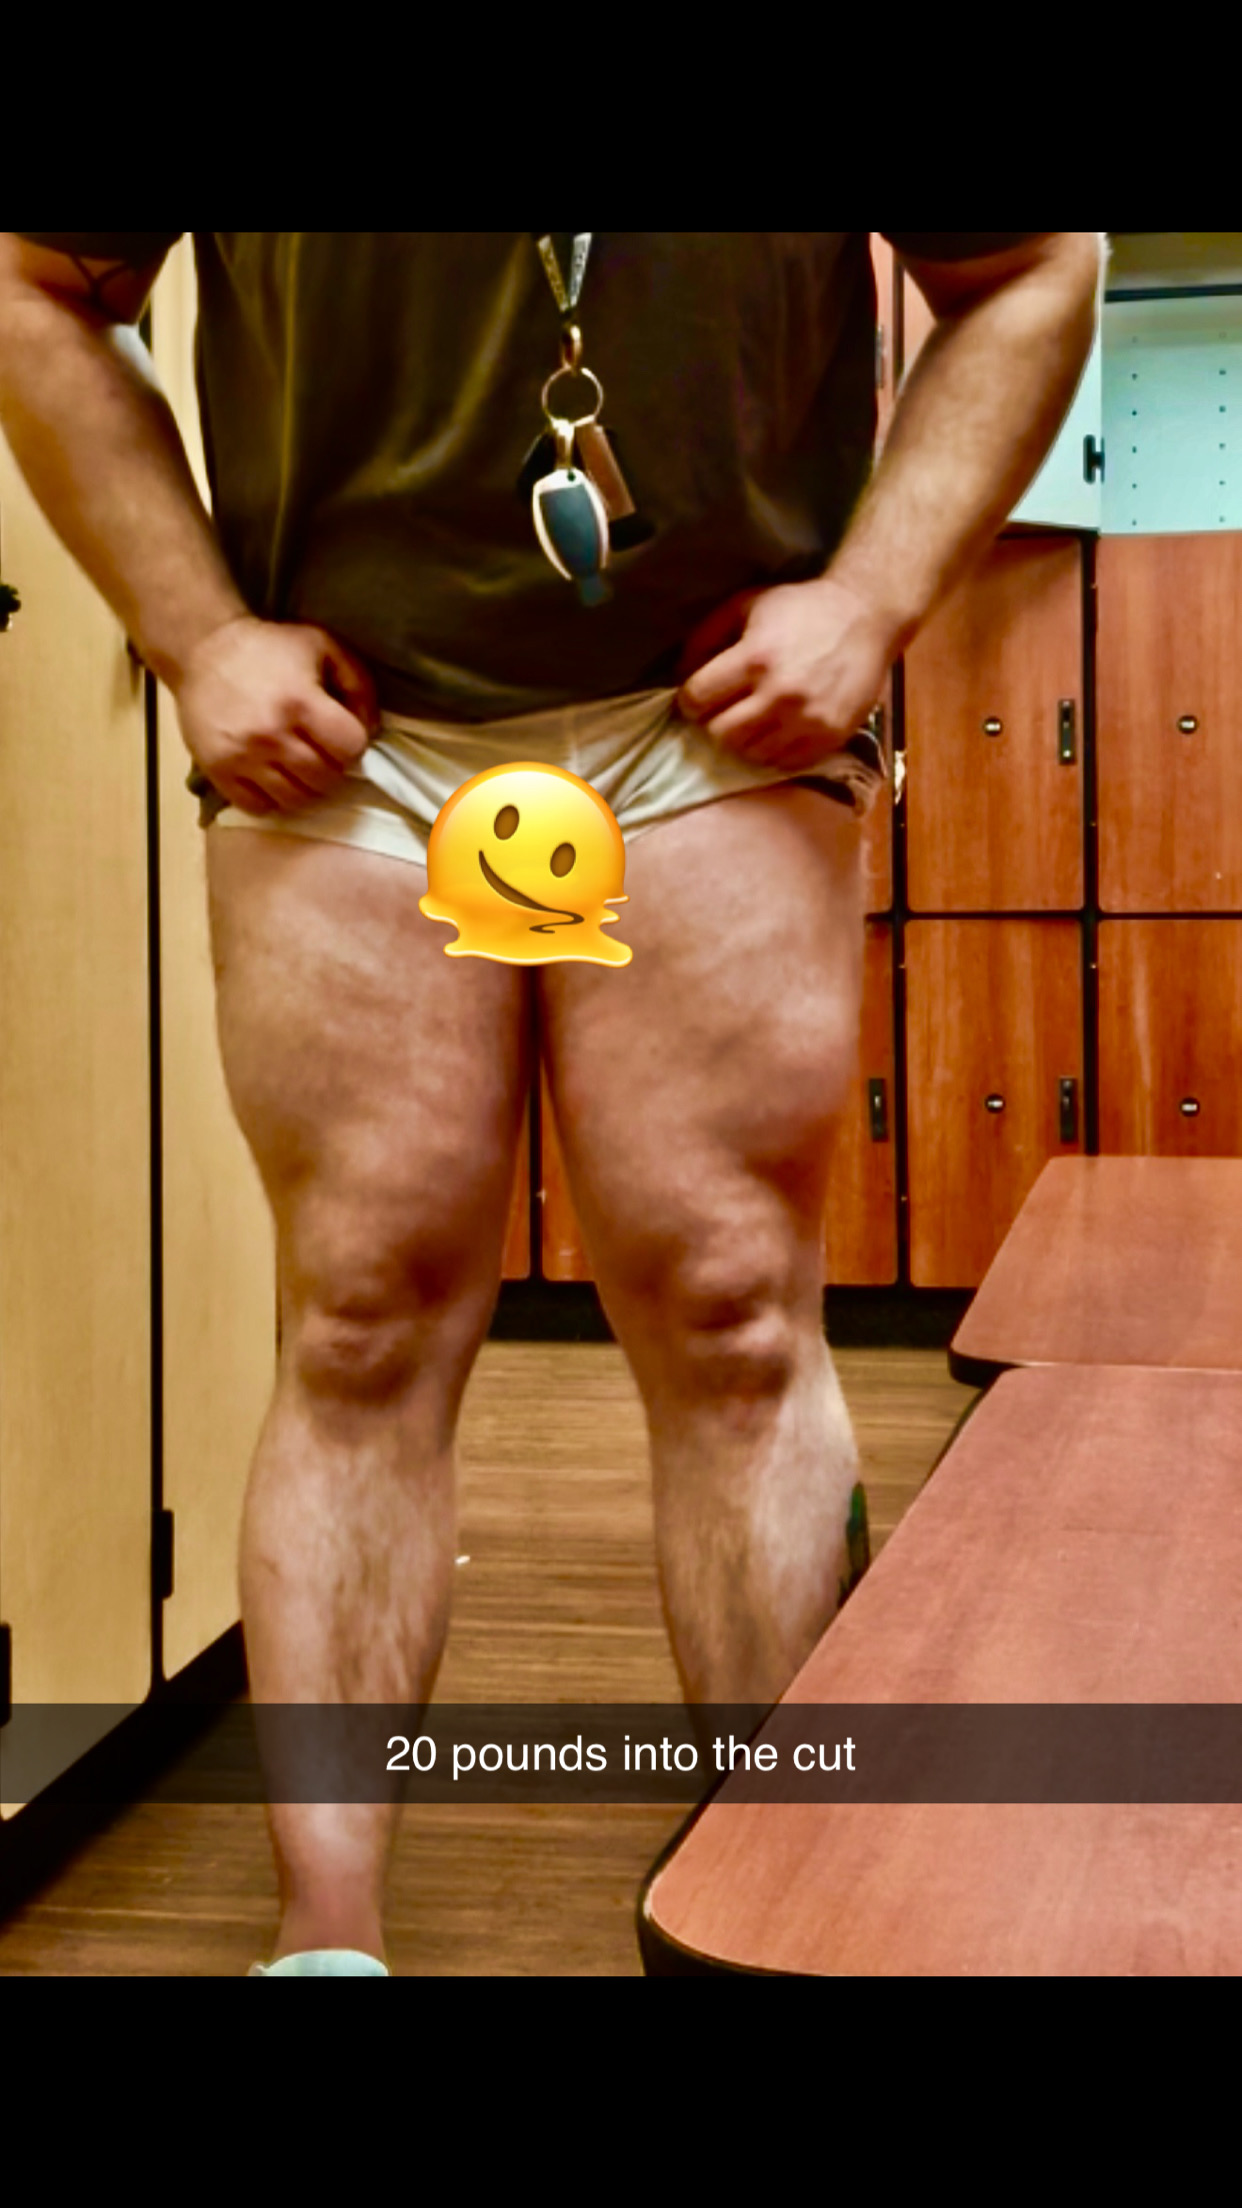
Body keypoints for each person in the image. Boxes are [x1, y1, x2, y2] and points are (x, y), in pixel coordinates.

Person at [0, 231, 1101, 1976]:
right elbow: (34, 282)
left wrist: (875, 600)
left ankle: (783, 1925)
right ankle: (324, 1946)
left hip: (709, 720)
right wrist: (195, 634)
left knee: (735, 1318)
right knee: (359, 1320)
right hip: (353, 732)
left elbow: (1033, 267)